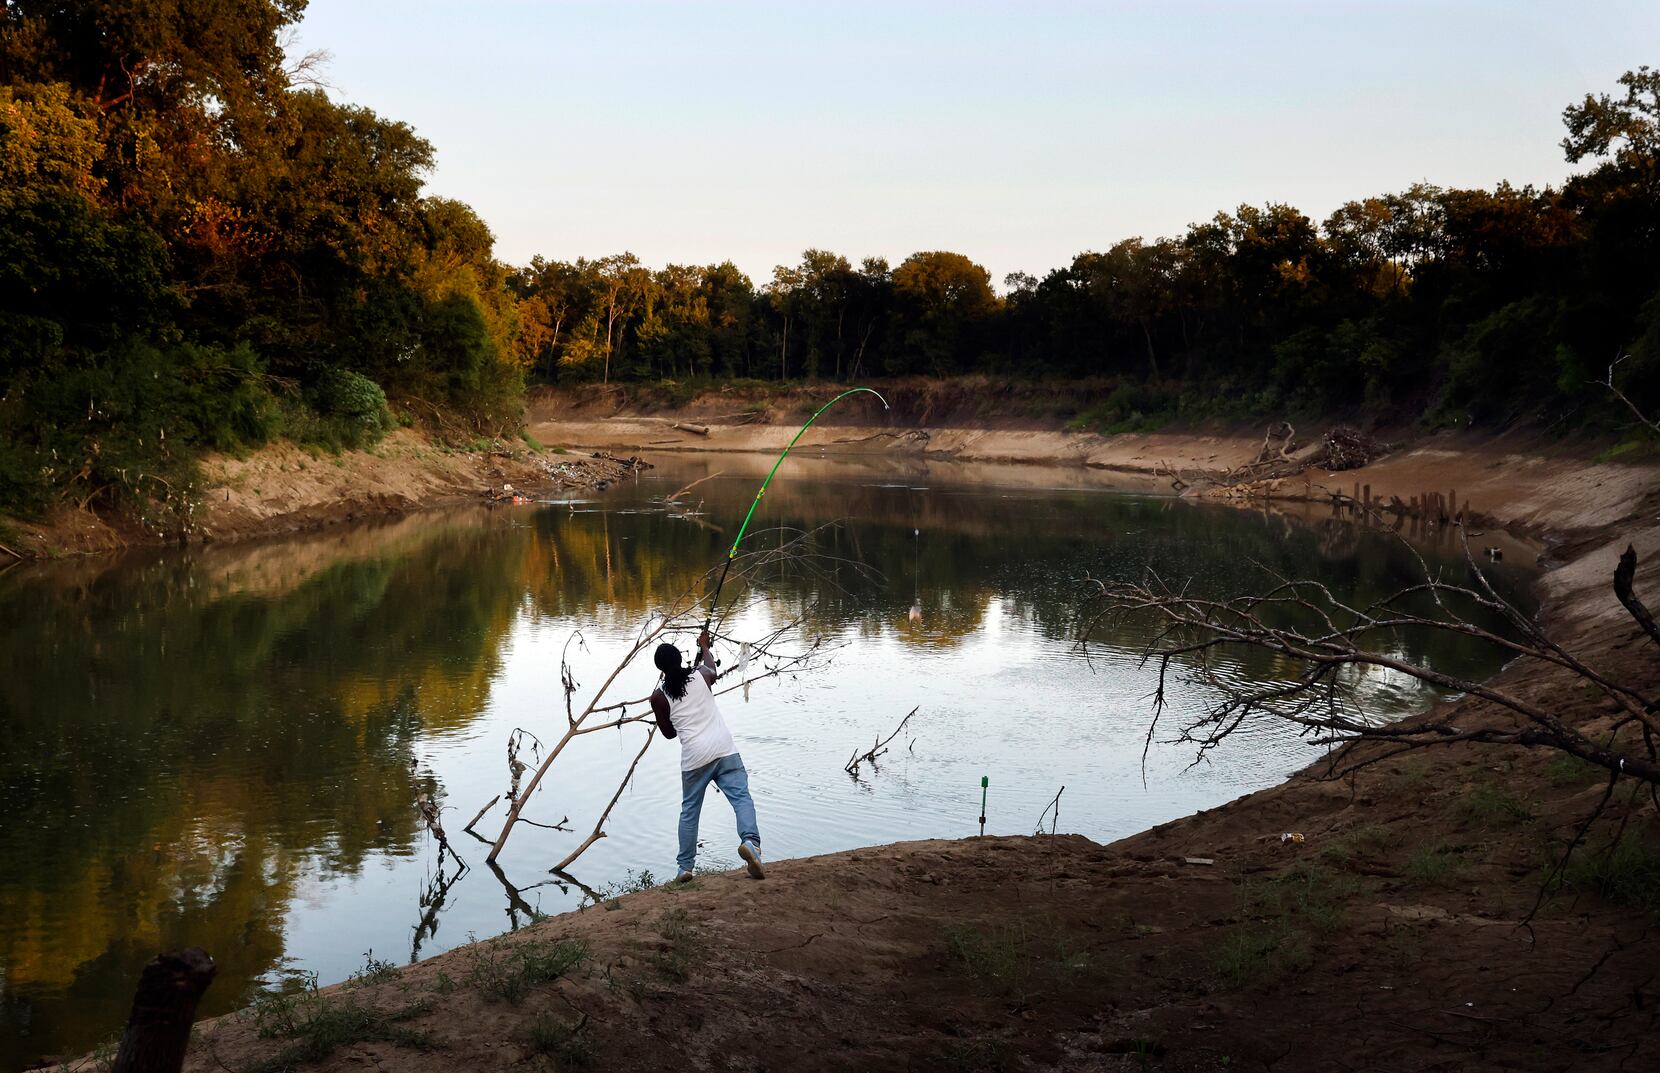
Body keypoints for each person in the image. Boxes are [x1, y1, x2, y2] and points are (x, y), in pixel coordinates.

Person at [650, 630, 765, 882]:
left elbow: (669, 734)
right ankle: (751, 845)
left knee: (689, 811)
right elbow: (711, 668)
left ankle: (685, 868)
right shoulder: (701, 676)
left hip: (694, 758)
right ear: (681, 660)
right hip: (724, 749)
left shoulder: (658, 697)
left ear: (659, 668)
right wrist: (704, 647)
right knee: (741, 798)